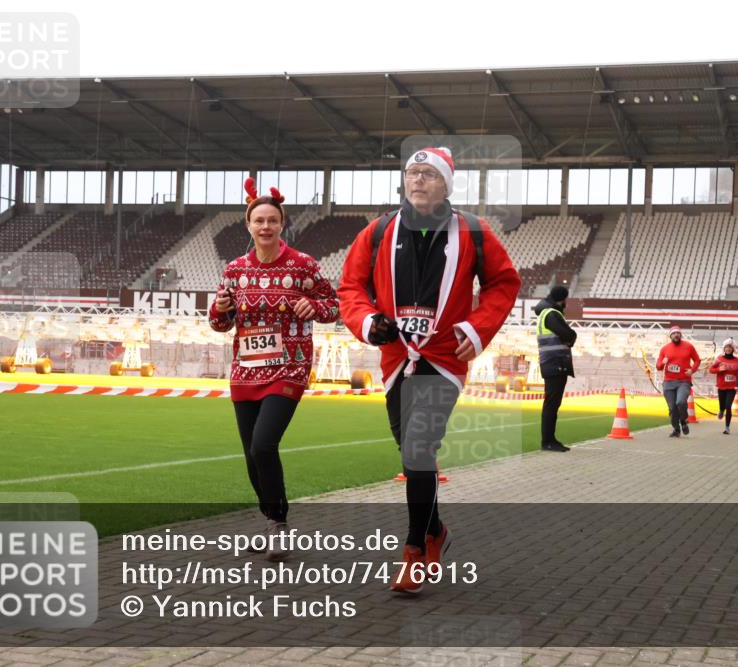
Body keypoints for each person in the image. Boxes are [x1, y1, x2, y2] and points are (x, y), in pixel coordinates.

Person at [338, 146, 520, 594]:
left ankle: (415, 550)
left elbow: (503, 282)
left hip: (444, 358)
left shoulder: (474, 231)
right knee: (411, 453)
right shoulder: (378, 231)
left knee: (419, 449)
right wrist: (367, 320)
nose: (418, 180)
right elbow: (351, 286)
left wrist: (477, 328)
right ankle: (436, 530)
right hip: (395, 359)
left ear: (446, 184)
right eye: (412, 172)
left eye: (429, 173)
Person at [209, 179, 340, 560]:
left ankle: (279, 525)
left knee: (264, 444)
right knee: (251, 454)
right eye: (259, 220)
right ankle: (271, 521)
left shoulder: (303, 265)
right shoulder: (234, 270)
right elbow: (219, 324)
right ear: (248, 225)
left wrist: (313, 307)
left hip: (289, 367)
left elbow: (334, 306)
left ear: (282, 224)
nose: (265, 226)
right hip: (245, 371)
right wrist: (220, 308)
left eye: (272, 220)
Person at [534, 285, 577, 452]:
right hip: (555, 363)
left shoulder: (545, 313)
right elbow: (569, 335)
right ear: (562, 299)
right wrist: (572, 337)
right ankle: (548, 441)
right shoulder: (552, 314)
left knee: (551, 404)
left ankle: (549, 440)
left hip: (551, 363)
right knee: (552, 404)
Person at [656, 326, 701, 438]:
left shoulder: (689, 346)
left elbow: (697, 360)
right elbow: (658, 367)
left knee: (680, 402)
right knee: (672, 408)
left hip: (683, 381)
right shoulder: (664, 349)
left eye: (678, 333)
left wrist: (692, 370)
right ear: (670, 336)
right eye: (674, 333)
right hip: (668, 382)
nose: (676, 335)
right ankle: (676, 429)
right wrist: (663, 362)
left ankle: (684, 420)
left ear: (681, 335)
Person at [708, 338, 738, 435]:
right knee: (722, 406)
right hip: (721, 386)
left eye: (730, 347)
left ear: (733, 349)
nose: (728, 349)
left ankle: (727, 427)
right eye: (726, 347)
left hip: (732, 387)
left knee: (728, 406)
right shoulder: (719, 359)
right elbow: (711, 370)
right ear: (724, 348)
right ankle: (721, 411)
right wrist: (719, 369)